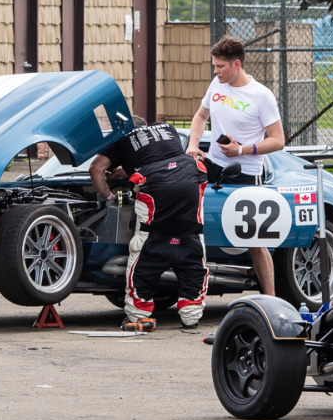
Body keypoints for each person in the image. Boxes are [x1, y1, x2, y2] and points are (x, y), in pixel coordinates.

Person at [185, 36, 285, 295]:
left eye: (220, 66)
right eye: (214, 66)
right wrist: (193, 145)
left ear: (236, 64)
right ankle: (195, 290)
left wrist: (241, 149)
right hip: (214, 166)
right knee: (195, 227)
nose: (215, 71)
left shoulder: (261, 95)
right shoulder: (217, 85)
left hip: (246, 174)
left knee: (255, 242)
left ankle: (270, 299)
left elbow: (278, 140)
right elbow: (200, 115)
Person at [89, 117, 208, 332]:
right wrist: (129, 169)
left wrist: (108, 197)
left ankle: (138, 316)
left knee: (149, 242)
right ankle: (191, 317)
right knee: (191, 239)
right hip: (190, 176)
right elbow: (161, 159)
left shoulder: (120, 139)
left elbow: (96, 168)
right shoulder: (168, 128)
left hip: (155, 185)